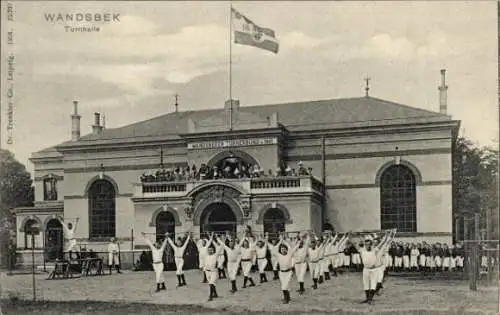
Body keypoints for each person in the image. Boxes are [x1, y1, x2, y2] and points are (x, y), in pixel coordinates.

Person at [351, 232, 379, 304]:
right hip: (366, 269)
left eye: (369, 244)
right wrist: (351, 236)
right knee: (366, 284)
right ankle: (367, 299)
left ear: (371, 244)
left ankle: (370, 299)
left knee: (373, 284)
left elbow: (378, 243)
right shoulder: (362, 250)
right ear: (364, 245)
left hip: (374, 270)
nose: (367, 246)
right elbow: (354, 244)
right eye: (366, 244)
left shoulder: (374, 250)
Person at [276, 233, 302, 304]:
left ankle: (286, 299)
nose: (283, 250)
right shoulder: (278, 255)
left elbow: (295, 247)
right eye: (282, 249)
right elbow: (275, 248)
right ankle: (288, 297)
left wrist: (300, 240)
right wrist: (281, 239)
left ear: (286, 250)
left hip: (288, 272)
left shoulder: (289, 254)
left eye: (284, 249)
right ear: (280, 250)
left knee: (284, 286)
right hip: (281, 273)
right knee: (284, 285)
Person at [204, 233, 219, 301]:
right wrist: (210, 236)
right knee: (211, 284)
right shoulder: (206, 255)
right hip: (207, 272)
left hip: (214, 272)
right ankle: (215, 294)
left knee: (211, 283)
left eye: (211, 250)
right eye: (209, 250)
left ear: (213, 250)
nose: (210, 251)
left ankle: (210, 296)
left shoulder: (215, 255)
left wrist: (214, 237)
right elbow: (207, 245)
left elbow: (219, 246)